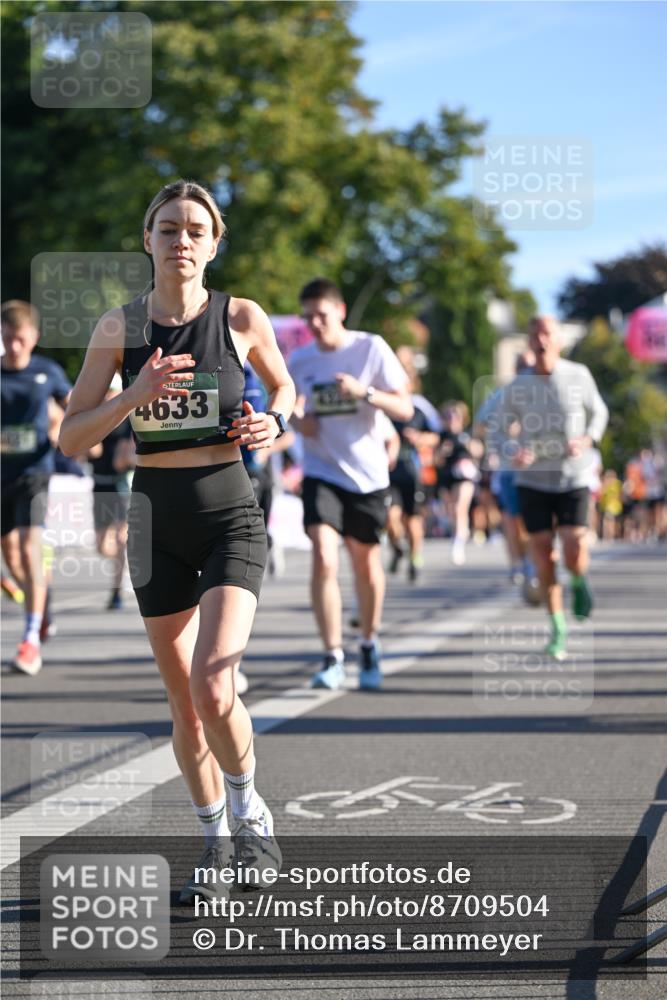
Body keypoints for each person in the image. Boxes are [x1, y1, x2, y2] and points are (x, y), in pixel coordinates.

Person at [59, 180, 295, 899]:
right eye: (168, 229)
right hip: (154, 521)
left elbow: (283, 391)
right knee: (184, 704)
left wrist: (272, 423)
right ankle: (214, 840)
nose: (182, 241)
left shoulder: (242, 316)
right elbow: (71, 437)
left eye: (196, 230)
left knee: (215, 684)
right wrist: (134, 394)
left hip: (228, 511)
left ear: (214, 243)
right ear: (147, 241)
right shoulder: (118, 328)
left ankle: (253, 815)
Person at [289, 278, 413, 690]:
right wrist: (297, 418)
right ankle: (332, 655)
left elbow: (406, 407)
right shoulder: (301, 359)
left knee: (365, 562)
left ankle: (369, 643)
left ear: (340, 310)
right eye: (308, 318)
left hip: (368, 474)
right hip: (322, 471)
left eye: (322, 316)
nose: (316, 325)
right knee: (324, 555)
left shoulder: (370, 347)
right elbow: (291, 408)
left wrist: (365, 392)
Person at [499, 316, 609, 660]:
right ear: (528, 342)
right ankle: (557, 627)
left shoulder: (578, 375)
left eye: (546, 333)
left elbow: (599, 413)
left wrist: (587, 439)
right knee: (544, 555)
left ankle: (579, 580)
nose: (540, 340)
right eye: (534, 334)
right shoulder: (517, 386)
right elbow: (496, 428)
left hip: (573, 476)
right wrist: (512, 450)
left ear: (558, 340)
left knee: (574, 546)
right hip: (533, 480)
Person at [1, 300, 72, 675]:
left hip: (35, 472)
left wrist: (67, 429)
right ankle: (40, 606)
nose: (14, 347)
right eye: (8, 339)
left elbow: (73, 406)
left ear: (35, 338)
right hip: (2, 475)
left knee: (30, 550)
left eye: (21, 340)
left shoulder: (48, 372)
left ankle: (30, 640)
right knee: (11, 557)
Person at [88, 374, 135, 610]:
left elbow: (127, 458)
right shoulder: (95, 417)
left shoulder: (128, 421)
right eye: (106, 390)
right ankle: (124, 564)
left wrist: (127, 457)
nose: (108, 395)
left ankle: (115, 593)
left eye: (113, 390)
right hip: (99, 484)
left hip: (121, 486)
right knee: (101, 546)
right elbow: (89, 451)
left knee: (120, 539)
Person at [435, 401, 481, 565]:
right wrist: (442, 451)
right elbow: (436, 460)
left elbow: (478, 452)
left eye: (455, 416)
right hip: (446, 477)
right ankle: (460, 534)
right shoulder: (441, 436)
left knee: (459, 508)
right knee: (451, 512)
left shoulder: (467, 434)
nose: (452, 419)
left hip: (464, 477)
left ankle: (458, 545)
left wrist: (468, 444)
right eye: (448, 416)